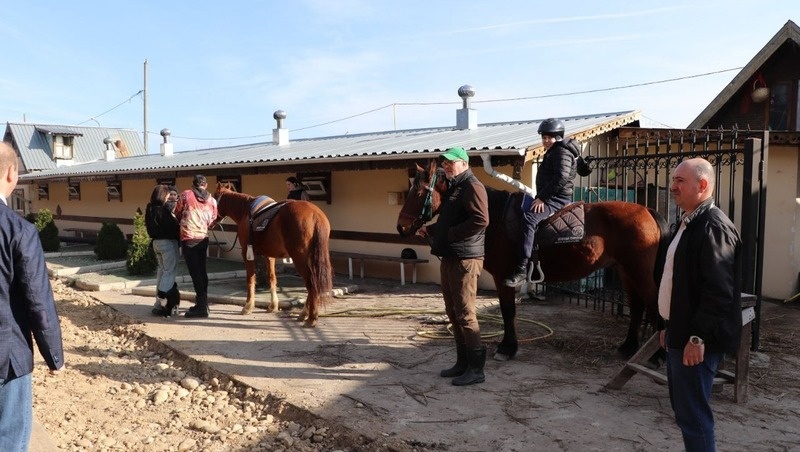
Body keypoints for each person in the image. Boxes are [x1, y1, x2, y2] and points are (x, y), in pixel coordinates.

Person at [658, 158, 742, 452]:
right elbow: (680, 282)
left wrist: (696, 337)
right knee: (686, 413)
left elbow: (719, 292)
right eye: (674, 179)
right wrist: (670, 325)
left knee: (693, 416)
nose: (673, 186)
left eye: (680, 181)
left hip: (697, 341)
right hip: (681, 333)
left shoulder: (713, 226)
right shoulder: (690, 222)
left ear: (702, 185)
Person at [0, 141, 64, 450]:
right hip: (7, 357)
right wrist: (54, 356)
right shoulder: (18, 230)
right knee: (9, 440)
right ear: (12, 174)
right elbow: (38, 300)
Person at [416, 147, 489, 386]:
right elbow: (448, 221)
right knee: (453, 312)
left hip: (465, 259)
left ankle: (476, 370)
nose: (447, 167)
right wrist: (431, 230)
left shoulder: (472, 186)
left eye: (451, 163)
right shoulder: (455, 187)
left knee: (466, 314)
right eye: (445, 164)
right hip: (450, 256)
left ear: (464, 163)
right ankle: (462, 363)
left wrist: (451, 235)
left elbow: (480, 220)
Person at [504, 118, 581, 287]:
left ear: (558, 137)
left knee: (529, 220)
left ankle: (522, 268)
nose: (546, 141)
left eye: (549, 137)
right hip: (550, 195)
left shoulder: (561, 152)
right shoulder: (555, 150)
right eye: (544, 137)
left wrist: (543, 198)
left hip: (556, 198)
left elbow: (561, 177)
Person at [175, 174, 218, 318]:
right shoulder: (212, 200)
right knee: (202, 271)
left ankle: (201, 307)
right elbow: (213, 220)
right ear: (205, 185)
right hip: (203, 238)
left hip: (189, 238)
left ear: (193, 185)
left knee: (195, 273)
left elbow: (178, 212)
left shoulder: (186, 195)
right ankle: (203, 303)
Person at [145, 184, 181, 317]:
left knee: (161, 272)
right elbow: (172, 228)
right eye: (167, 194)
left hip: (156, 243)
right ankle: (163, 300)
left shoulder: (149, 209)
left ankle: (157, 303)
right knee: (169, 272)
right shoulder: (163, 211)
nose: (169, 196)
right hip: (168, 244)